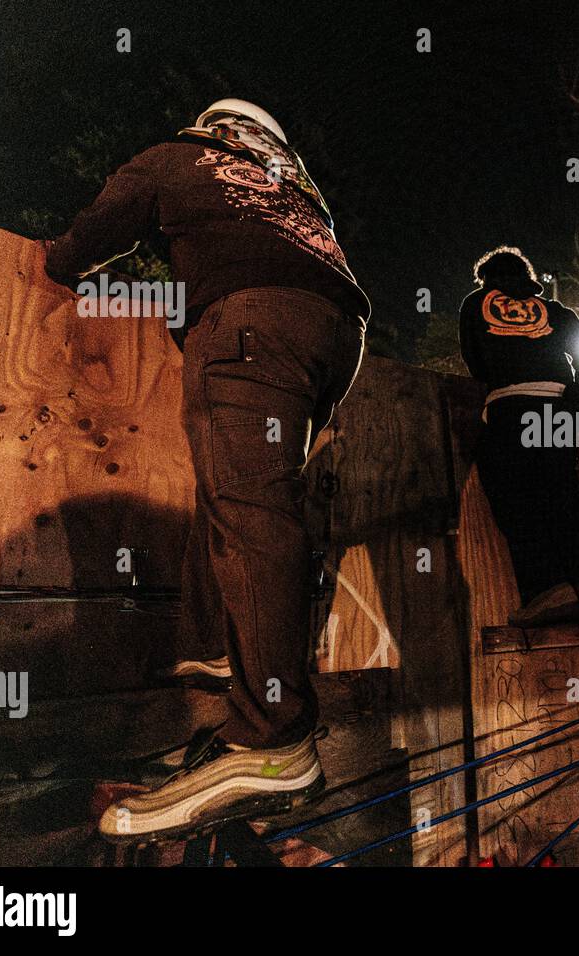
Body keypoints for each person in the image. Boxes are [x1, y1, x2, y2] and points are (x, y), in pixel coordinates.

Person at [44, 99, 370, 842]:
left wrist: (60, 263)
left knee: (249, 507)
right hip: (335, 336)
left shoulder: (178, 156)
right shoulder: (294, 186)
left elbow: (99, 230)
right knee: (245, 494)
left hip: (253, 322)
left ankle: (277, 738)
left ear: (211, 128)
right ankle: (221, 659)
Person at [459, 246, 579, 627]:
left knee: (515, 497)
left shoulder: (476, 303)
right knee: (562, 496)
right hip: (558, 405)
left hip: (511, 404)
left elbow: (474, 361)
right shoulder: (555, 310)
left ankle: (546, 591)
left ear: (487, 278)